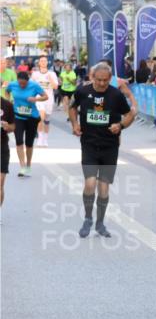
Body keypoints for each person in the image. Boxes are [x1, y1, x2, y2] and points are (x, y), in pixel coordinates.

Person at [68, 62, 136, 238]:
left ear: (110, 79)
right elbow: (72, 108)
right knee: (90, 183)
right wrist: (75, 125)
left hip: (110, 147)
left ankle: (100, 223)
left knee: (104, 189)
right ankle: (88, 218)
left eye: (105, 80)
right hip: (89, 144)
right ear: (93, 78)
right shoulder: (83, 92)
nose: (102, 84)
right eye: (99, 80)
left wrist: (120, 125)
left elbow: (130, 115)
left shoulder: (116, 95)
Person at [9, 71, 47, 177]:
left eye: (24, 84)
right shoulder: (13, 84)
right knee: (19, 141)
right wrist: (9, 101)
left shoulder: (34, 85)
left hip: (32, 117)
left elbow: (45, 96)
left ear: (28, 80)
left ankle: (29, 165)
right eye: (20, 83)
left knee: (29, 144)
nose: (22, 85)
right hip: (17, 117)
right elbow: (7, 91)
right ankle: (22, 167)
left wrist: (36, 99)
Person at [31, 56, 59, 147]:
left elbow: (55, 87)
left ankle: (45, 139)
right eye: (41, 61)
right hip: (39, 98)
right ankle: (40, 138)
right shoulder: (35, 74)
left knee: (46, 120)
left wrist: (49, 78)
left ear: (47, 63)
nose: (43, 62)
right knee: (40, 117)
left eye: (45, 61)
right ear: (39, 63)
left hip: (49, 99)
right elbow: (31, 86)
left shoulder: (52, 74)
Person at [1, 95, 13, 209]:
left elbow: (13, 126)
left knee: (0, 184)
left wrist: (7, 127)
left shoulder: (7, 105)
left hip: (2, 147)